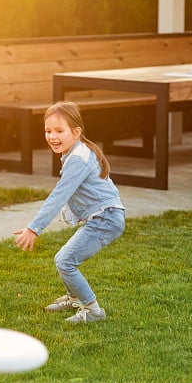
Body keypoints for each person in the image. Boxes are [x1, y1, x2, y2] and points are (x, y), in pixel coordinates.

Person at [14, 101, 125, 323]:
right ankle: (74, 299)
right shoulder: (75, 151)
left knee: (65, 261)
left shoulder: (78, 159)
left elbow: (59, 196)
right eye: (48, 131)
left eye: (59, 131)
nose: (52, 136)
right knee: (62, 258)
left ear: (76, 132)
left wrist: (34, 228)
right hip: (105, 216)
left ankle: (93, 311)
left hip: (106, 219)